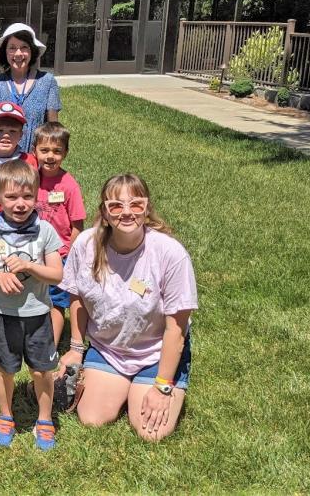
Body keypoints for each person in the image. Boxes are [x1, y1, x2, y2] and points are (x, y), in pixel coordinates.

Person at [57, 174, 197, 442]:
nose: (127, 213)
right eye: (116, 206)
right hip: (109, 349)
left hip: (155, 352)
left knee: (151, 433)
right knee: (92, 418)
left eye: (136, 204)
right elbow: (77, 297)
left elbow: (176, 328)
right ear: (105, 213)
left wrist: (163, 386)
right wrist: (76, 349)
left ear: (146, 208)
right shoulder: (86, 244)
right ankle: (107, 384)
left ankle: (151, 385)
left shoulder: (170, 253)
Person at [0, 159, 63, 451]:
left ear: (36, 195)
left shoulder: (45, 231)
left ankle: (45, 419)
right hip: (3, 315)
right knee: (6, 369)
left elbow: (57, 274)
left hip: (37, 314)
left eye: (27, 196)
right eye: (11, 197)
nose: (20, 204)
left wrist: (29, 266)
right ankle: (5, 416)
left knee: (41, 371)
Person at [32, 122, 85, 345]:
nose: (50, 156)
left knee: (56, 301)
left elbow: (77, 225)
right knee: (35, 296)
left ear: (65, 153)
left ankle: (50, 346)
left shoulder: (69, 185)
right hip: (33, 250)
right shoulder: (32, 179)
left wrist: (70, 256)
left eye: (57, 151)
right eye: (44, 150)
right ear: (35, 150)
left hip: (60, 254)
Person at [0, 23, 61, 154]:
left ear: (32, 51)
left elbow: (54, 129)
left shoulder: (47, 81)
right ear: (4, 52)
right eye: (12, 48)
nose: (18, 53)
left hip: (33, 160)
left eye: (24, 47)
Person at [0, 102, 38, 216]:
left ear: (21, 135)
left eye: (12, 131)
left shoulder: (30, 162)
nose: (6, 136)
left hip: (23, 221)